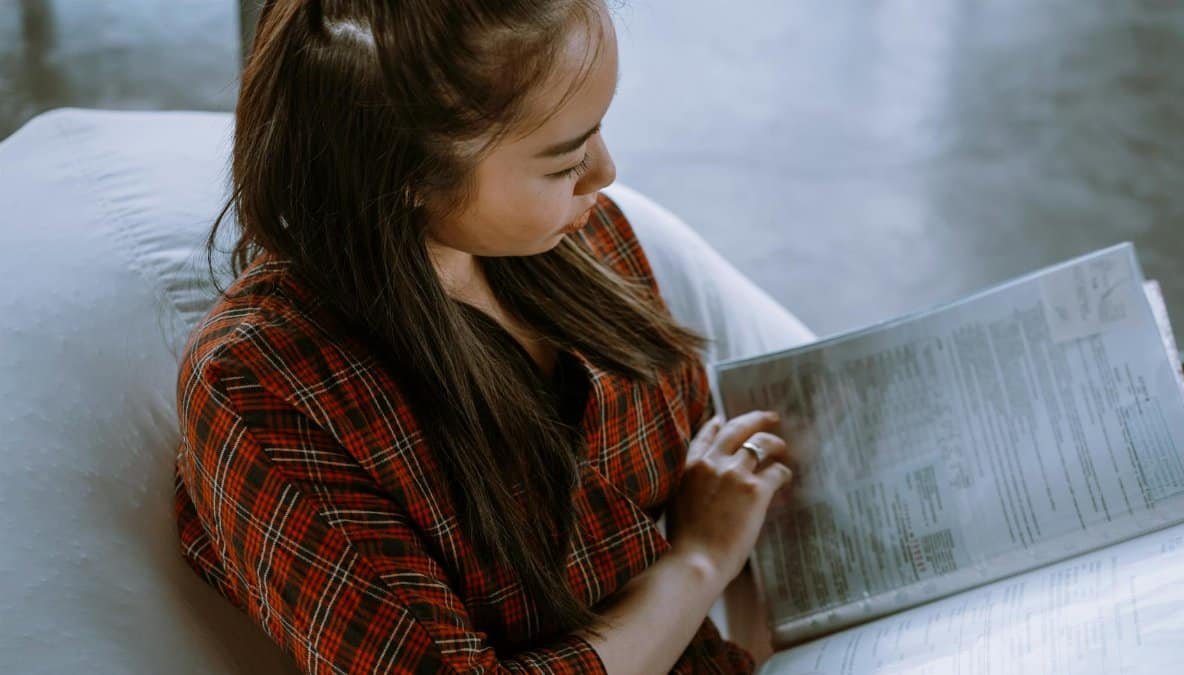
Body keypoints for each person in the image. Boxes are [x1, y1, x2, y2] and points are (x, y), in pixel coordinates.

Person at [173, 1, 807, 673]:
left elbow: (709, 480)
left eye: (597, 130)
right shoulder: (265, 392)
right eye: (565, 161)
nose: (606, 174)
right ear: (407, 172)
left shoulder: (585, 239)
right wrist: (697, 562)